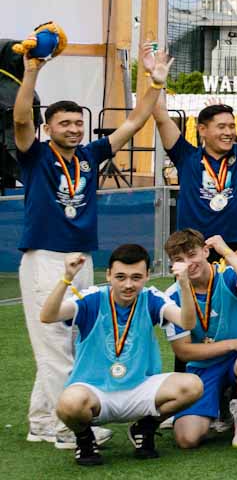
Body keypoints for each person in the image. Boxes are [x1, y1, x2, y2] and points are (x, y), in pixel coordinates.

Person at [15, 45, 167, 448]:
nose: (73, 129)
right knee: (55, 345)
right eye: (64, 123)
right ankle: (70, 428)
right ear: (48, 128)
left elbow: (134, 121)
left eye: (78, 123)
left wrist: (154, 83)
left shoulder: (88, 155)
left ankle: (42, 421)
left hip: (80, 259)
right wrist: (32, 71)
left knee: (68, 340)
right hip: (45, 258)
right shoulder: (35, 156)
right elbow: (20, 118)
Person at [41, 244, 203, 466]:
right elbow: (48, 316)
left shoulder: (151, 298)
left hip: (139, 388)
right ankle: (85, 439)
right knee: (68, 403)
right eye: (120, 277)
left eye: (136, 277)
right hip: (96, 392)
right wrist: (67, 278)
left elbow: (187, 323)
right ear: (108, 275)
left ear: (147, 276)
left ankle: (145, 427)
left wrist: (184, 284)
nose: (128, 285)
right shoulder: (93, 298)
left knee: (192, 385)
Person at [158, 45, 237, 260]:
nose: (229, 132)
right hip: (192, 247)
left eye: (231, 126)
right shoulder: (186, 156)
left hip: (236, 247)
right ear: (202, 130)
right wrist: (156, 82)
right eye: (221, 127)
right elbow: (161, 117)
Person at [163, 230, 237, 449]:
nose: (188, 263)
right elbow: (183, 352)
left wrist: (226, 252)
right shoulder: (172, 295)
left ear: (205, 251)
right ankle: (221, 407)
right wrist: (231, 344)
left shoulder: (227, 276)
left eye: (192, 254)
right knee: (187, 439)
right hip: (205, 366)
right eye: (179, 259)